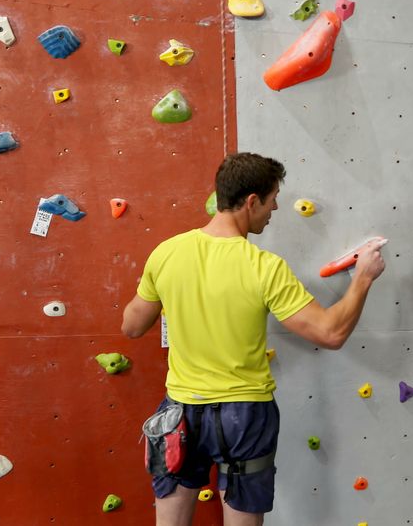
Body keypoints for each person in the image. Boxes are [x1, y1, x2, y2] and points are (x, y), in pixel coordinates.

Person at [120, 152, 386, 526]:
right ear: (251, 201)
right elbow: (330, 332)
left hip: (180, 410)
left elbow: (131, 326)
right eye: (272, 199)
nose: (274, 208)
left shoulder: (166, 253)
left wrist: (170, 292)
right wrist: (363, 279)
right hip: (242, 416)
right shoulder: (264, 266)